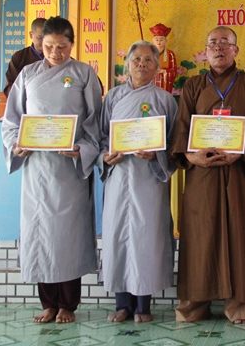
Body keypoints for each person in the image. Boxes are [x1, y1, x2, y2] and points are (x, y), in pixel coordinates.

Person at [1, 16, 102, 324]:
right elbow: (12, 120)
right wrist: (16, 145)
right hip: (36, 167)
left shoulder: (83, 73)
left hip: (69, 168)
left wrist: (81, 149)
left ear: (72, 44)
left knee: (67, 235)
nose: (55, 53)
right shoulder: (28, 74)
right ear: (39, 44)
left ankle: (68, 304)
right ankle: (47, 303)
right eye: (48, 46)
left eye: (62, 46)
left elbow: (95, 122)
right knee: (39, 233)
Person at [168, 26, 245, 324]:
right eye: (213, 43)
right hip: (202, 173)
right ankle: (194, 306)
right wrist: (191, 156)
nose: (219, 48)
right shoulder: (193, 85)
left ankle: (239, 306)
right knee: (199, 236)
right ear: (206, 51)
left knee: (239, 236)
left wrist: (241, 153)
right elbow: (182, 128)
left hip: (238, 172)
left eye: (225, 43)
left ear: (236, 50)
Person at [99, 40, 178, 323]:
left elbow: (174, 143)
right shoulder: (113, 97)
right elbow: (101, 136)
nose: (142, 64)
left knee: (147, 238)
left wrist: (156, 154)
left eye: (148, 60)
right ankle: (122, 305)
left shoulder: (165, 100)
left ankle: (143, 306)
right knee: (118, 237)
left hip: (149, 179)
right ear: (127, 65)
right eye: (136, 59)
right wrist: (105, 156)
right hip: (119, 177)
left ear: (157, 67)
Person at [4, 17, 46, 97]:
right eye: (40, 38)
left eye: (46, 38)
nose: (43, 42)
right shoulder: (19, 57)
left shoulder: (55, 57)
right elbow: (10, 87)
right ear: (31, 35)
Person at [150, 23, 178, 94]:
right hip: (152, 81)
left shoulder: (170, 54)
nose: (159, 42)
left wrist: (164, 71)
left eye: (161, 40)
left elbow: (174, 71)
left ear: (166, 41)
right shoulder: (149, 53)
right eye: (156, 40)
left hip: (164, 84)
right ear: (153, 41)